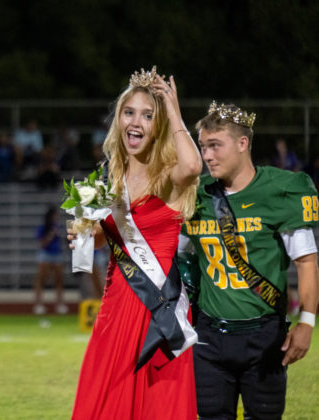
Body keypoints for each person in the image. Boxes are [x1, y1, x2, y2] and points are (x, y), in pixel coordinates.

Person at [69, 66, 201, 419]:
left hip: (158, 310)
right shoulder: (106, 182)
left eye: (147, 115)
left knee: (158, 405)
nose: (136, 122)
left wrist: (172, 107)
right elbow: (103, 241)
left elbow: (192, 165)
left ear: (157, 126)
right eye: (129, 112)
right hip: (116, 307)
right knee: (106, 402)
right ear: (118, 119)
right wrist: (84, 235)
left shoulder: (168, 176)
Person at [179, 102, 319, 419]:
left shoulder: (282, 190)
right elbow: (173, 251)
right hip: (209, 337)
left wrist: (307, 323)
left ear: (243, 144)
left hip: (264, 336)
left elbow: (307, 262)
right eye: (203, 146)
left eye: (215, 145)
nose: (207, 156)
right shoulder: (195, 195)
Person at [33, 207, 67, 315]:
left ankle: (60, 303)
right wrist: (51, 235)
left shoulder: (59, 227)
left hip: (57, 254)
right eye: (54, 216)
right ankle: (39, 304)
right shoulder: (43, 228)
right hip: (45, 255)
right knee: (41, 279)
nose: (56, 218)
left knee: (59, 280)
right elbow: (43, 243)